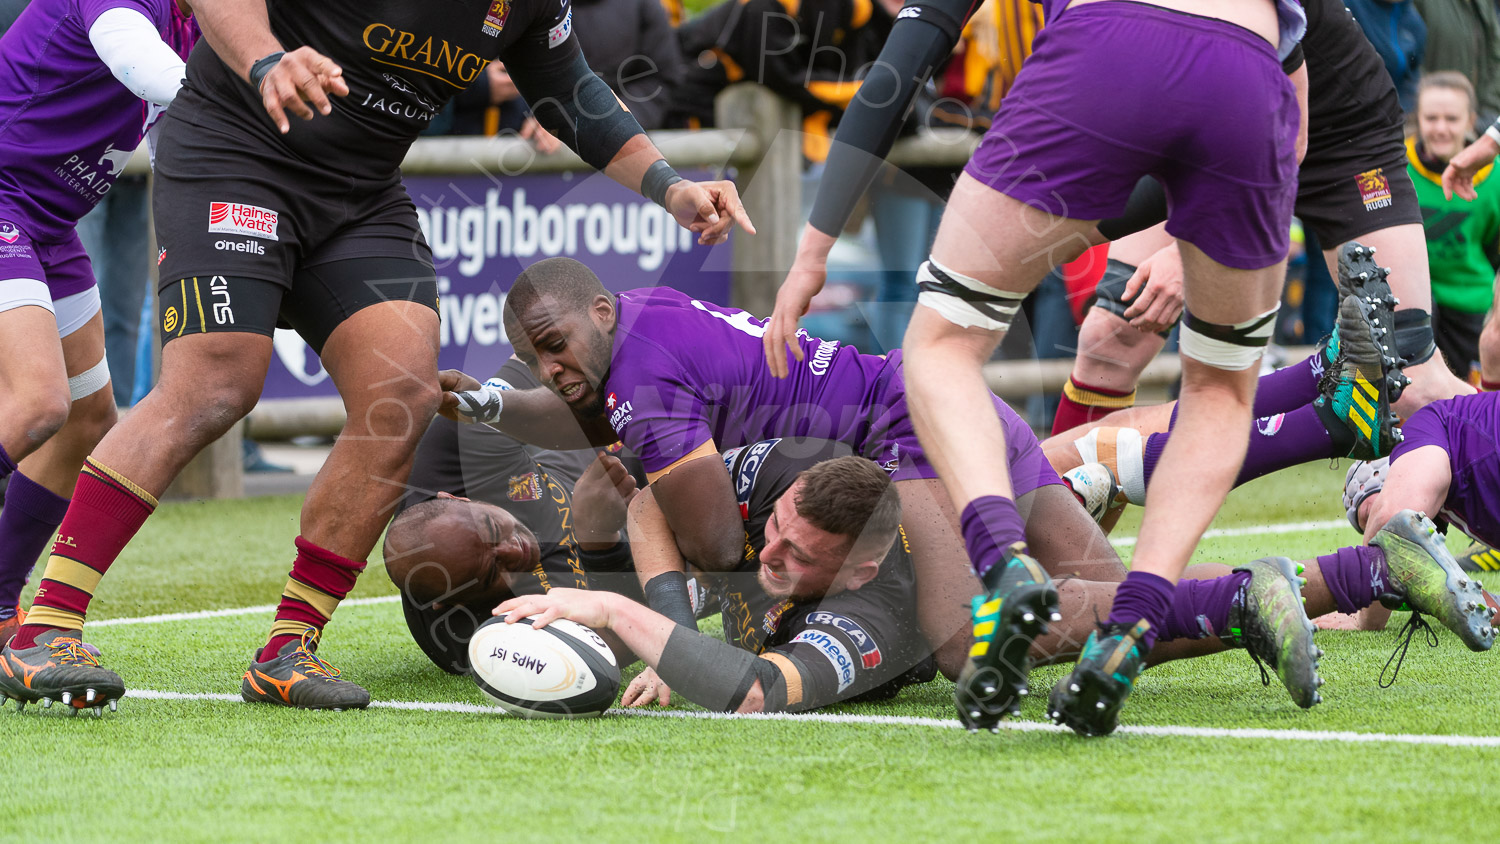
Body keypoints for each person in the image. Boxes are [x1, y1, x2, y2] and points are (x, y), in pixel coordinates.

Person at [1, 0, 753, 714]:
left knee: (403, 392)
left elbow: (571, 91)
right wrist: (266, 63)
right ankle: (44, 627)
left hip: (359, 196)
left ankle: (290, 648)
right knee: (217, 383)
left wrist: (670, 186)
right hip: (236, 155)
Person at [761, 0, 1314, 737]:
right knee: (1218, 392)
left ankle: (1003, 565)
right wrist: (1182, 213)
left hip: (1105, 47)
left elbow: (898, 69)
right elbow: (1295, 128)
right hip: (1251, 78)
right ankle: (1135, 621)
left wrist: (814, 248)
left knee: (940, 345)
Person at [1052, 0, 1471, 437]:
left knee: (1407, 377)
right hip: (1208, 137)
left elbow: (1281, 135)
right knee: (1110, 341)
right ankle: (1060, 500)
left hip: (1339, 139)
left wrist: (1188, 251)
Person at [0, 0, 196, 661]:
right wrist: (263, 95)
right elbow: (142, 66)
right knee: (38, 404)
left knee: (87, 420)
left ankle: (0, 605)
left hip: (47, 224)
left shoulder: (193, 21)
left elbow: (184, 133)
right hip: (3, 199)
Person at [1405, 73, 1500, 383]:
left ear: (1471, 120)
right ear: (1417, 118)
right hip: (1411, 301)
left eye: (1452, 118)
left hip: (1470, 302)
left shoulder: (1493, 175)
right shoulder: (1398, 165)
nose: (1441, 128)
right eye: (1431, 118)